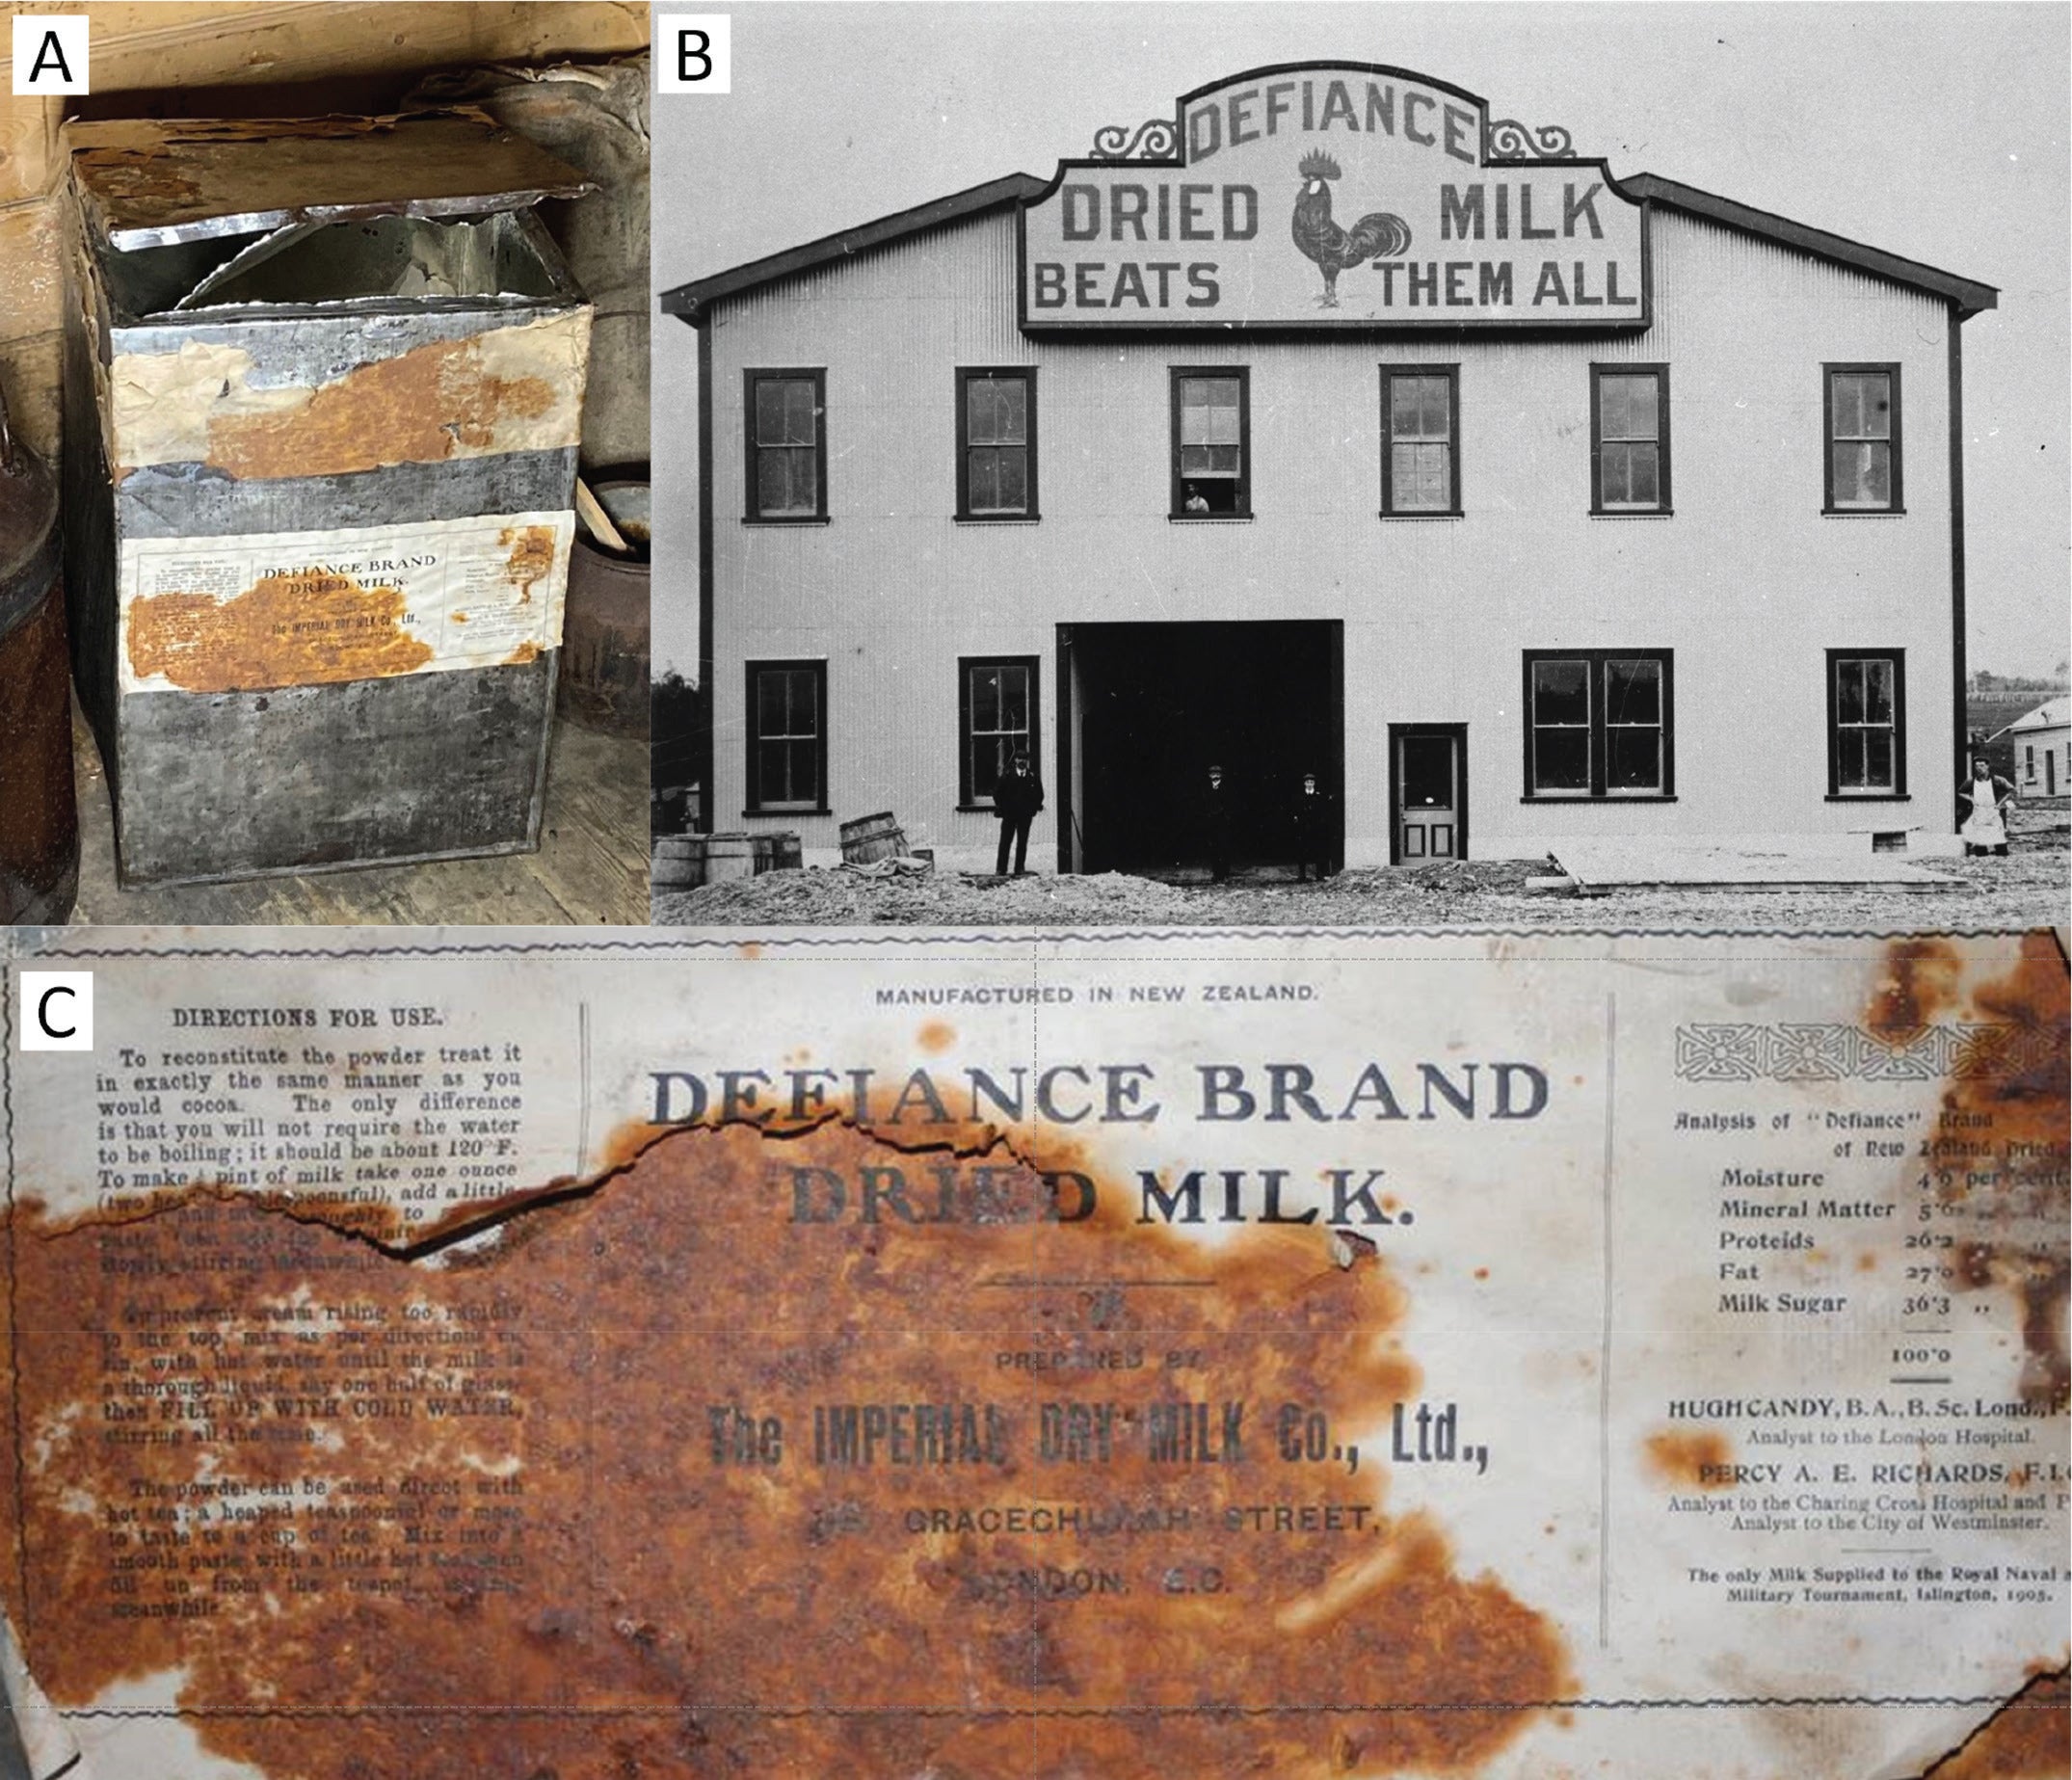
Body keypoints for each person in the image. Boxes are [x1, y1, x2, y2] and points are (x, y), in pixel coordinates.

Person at [992, 749, 1044, 875]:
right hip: (1009, 814)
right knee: (1005, 841)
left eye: (1024, 759)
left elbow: (1039, 795)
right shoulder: (1007, 775)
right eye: (1019, 758)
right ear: (1015, 760)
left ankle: (1019, 868)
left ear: (1027, 761)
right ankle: (1001, 869)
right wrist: (1003, 808)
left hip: (1025, 815)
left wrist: (1032, 809)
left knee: (1022, 842)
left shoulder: (1032, 776)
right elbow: (997, 793)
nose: (1022, 761)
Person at [1957, 755, 2016, 857]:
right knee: (1979, 838)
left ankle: (2002, 857)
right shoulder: (1971, 781)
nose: (1979, 768)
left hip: (1993, 810)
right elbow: (1961, 792)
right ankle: (1982, 859)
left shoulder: (1997, 780)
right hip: (1979, 811)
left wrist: (2000, 803)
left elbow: (2012, 790)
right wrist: (1971, 799)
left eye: (1982, 766)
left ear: (1987, 766)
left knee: (1998, 836)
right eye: (1977, 766)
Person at [1291, 771, 1330, 881]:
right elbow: (1295, 811)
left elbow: (1323, 811)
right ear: (1304, 784)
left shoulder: (1319, 796)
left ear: (1314, 784)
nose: (1309, 784)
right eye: (1307, 782)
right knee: (1302, 850)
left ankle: (1319, 874)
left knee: (1318, 850)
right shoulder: (1299, 796)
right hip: (1303, 828)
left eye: (1311, 782)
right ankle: (1302, 875)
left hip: (1316, 828)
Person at [1202, 762, 1233, 882]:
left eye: (1217, 773)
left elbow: (1231, 803)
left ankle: (1224, 874)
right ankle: (1216, 874)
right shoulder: (1206, 788)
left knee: (1224, 848)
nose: (1215, 776)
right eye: (1212, 774)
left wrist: (1227, 816)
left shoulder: (1227, 788)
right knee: (1213, 849)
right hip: (1211, 822)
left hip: (1223, 822)